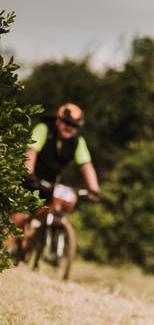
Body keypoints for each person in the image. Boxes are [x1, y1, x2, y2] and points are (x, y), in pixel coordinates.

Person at [7, 103, 100, 253]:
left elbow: (86, 165)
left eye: (74, 125)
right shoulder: (44, 129)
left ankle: (42, 231)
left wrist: (94, 189)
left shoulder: (77, 142)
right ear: (58, 120)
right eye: (67, 123)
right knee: (20, 217)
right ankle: (7, 249)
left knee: (70, 200)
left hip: (50, 184)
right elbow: (31, 152)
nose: (69, 127)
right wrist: (28, 174)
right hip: (29, 179)